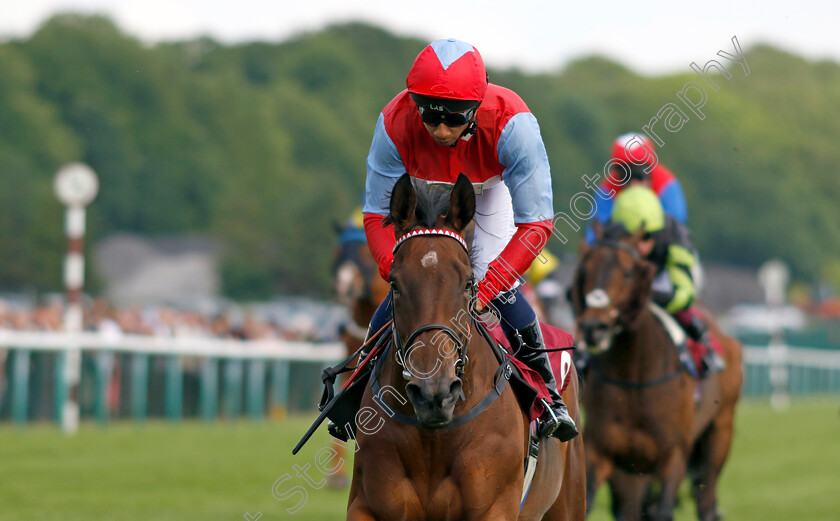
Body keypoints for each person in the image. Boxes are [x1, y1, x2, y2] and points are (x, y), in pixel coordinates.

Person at [359, 38, 577, 441]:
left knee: (499, 289)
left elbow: (537, 224)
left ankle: (548, 398)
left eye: (454, 119)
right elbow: (375, 213)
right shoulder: (393, 120)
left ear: (477, 110)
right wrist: (396, 270)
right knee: (405, 288)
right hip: (420, 189)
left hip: (490, 190)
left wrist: (488, 285)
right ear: (414, 103)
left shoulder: (514, 124)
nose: (441, 130)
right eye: (430, 117)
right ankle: (355, 389)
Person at [605, 185, 722, 376]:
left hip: (666, 278)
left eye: (646, 238)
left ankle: (704, 346)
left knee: (683, 312)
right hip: (636, 283)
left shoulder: (674, 235)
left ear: (656, 233)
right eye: (630, 240)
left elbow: (684, 293)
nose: (639, 247)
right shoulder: (611, 234)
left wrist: (653, 297)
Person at [586, 132, 688, 243]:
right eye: (625, 175)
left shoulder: (666, 183)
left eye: (639, 175)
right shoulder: (607, 188)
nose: (633, 183)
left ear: (649, 169)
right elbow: (595, 233)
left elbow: (677, 224)